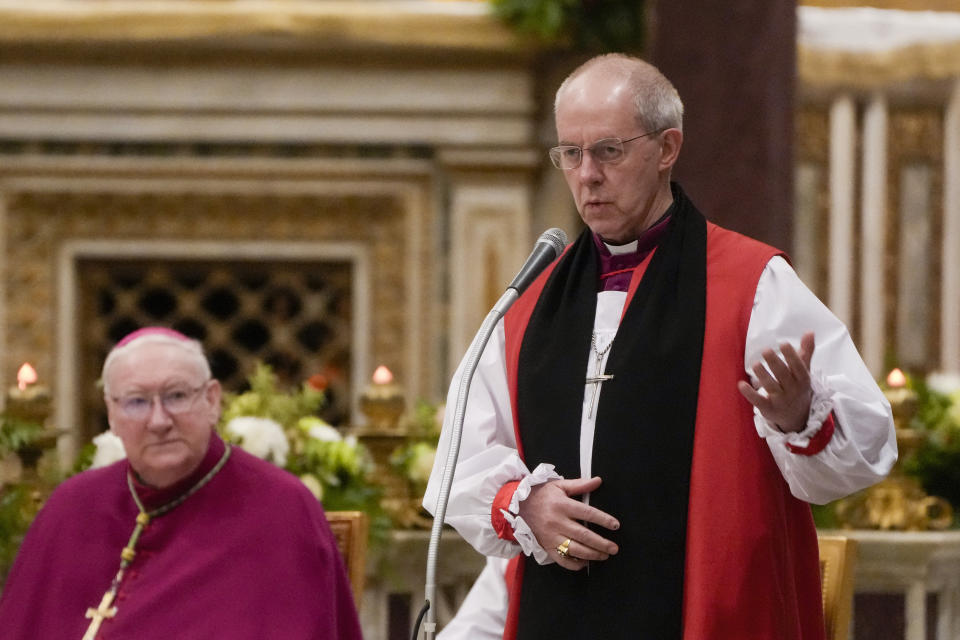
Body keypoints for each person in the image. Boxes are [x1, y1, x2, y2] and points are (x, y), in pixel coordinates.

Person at [424, 53, 897, 640]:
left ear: (667, 148)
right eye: (570, 153)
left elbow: (866, 448)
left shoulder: (750, 283)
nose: (586, 174)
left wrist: (802, 417)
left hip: (711, 614)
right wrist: (527, 506)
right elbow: (460, 465)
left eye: (608, 151)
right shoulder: (530, 304)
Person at [0, 327, 363, 640]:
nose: (159, 421)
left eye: (176, 396)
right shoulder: (72, 505)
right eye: (137, 402)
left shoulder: (282, 507)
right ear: (111, 414)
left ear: (212, 400)